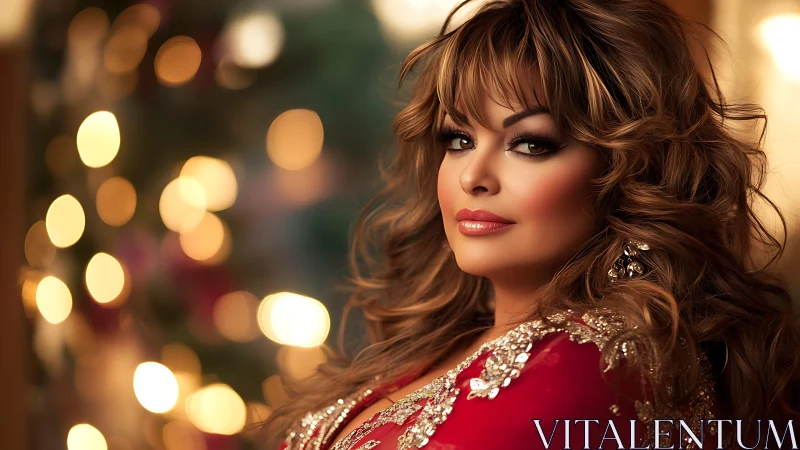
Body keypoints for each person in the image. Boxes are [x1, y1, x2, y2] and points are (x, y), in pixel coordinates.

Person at [258, 0, 800, 448]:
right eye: (458, 138)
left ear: (628, 169)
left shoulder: (593, 369)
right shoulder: (452, 341)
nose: (474, 175)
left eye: (530, 144)